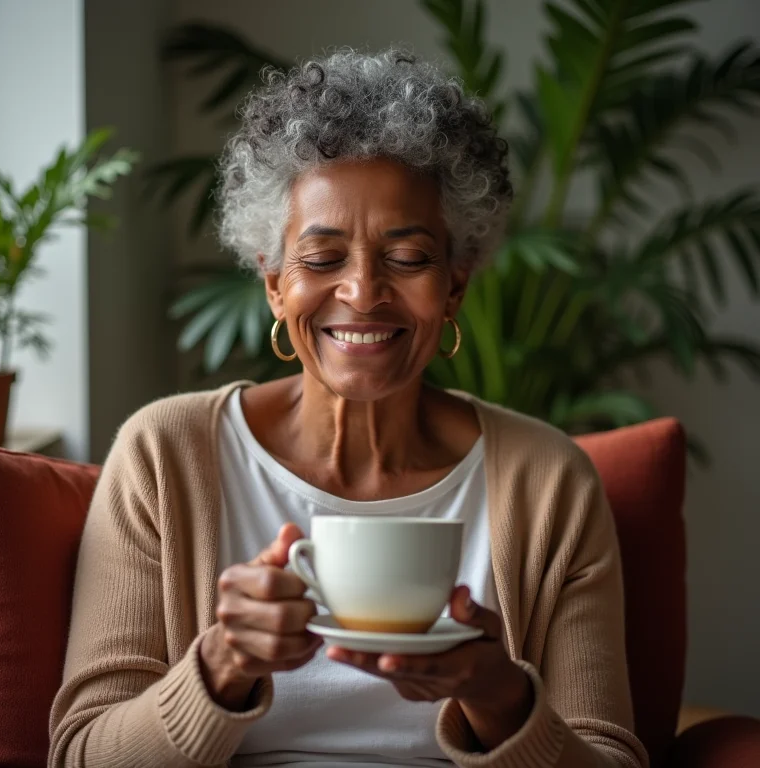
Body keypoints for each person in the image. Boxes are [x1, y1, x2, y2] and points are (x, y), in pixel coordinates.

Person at [48, 49, 648, 768]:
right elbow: (80, 754)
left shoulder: (550, 480)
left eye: (408, 257)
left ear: (455, 286)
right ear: (274, 284)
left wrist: (500, 698)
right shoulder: (163, 455)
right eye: (322, 258)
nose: (363, 293)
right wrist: (220, 667)